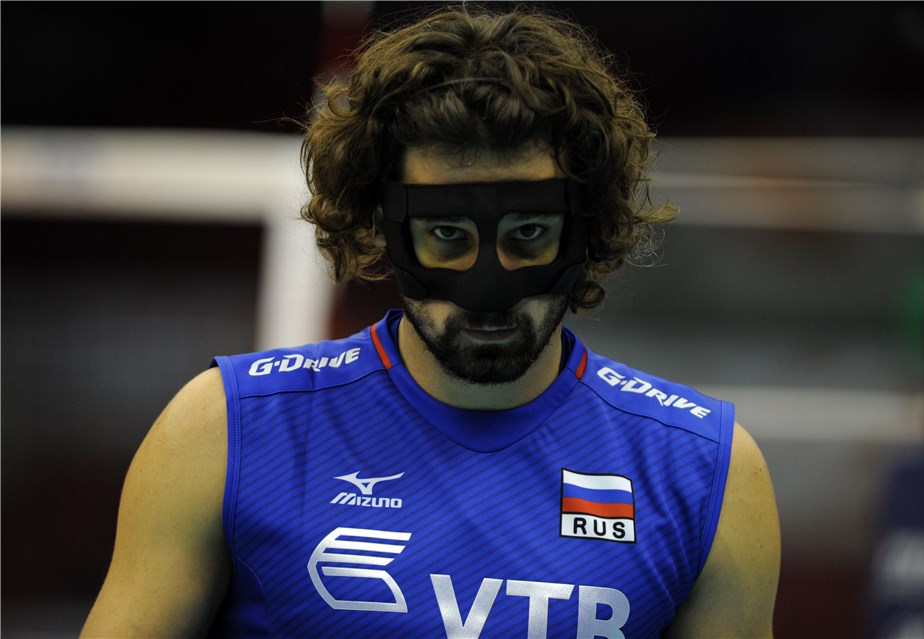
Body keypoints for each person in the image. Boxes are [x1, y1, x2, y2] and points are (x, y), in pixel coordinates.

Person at [82, 5, 780, 638]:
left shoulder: (705, 470)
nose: (488, 289)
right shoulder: (224, 430)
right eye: (447, 235)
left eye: (529, 234)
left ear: (588, 230)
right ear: (378, 227)